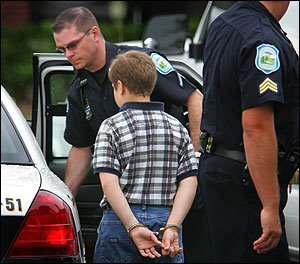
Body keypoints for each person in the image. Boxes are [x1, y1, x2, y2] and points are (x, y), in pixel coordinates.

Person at [50, 6, 202, 197]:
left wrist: (195, 161)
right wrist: (66, 198)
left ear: (94, 34)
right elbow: (81, 146)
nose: (68, 55)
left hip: (168, 187)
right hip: (122, 195)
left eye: (72, 45)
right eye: (62, 49)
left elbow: (194, 98)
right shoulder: (79, 88)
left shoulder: (139, 62)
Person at [197, 1, 299, 263]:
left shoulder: (224, 23)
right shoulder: (262, 39)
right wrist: (269, 205)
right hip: (244, 181)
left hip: (220, 170)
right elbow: (256, 127)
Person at [92, 50, 198, 263]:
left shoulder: (110, 127)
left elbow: (109, 183)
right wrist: (173, 226)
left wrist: (133, 226)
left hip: (120, 223)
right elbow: (189, 181)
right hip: (165, 225)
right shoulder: (177, 128)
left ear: (120, 86)